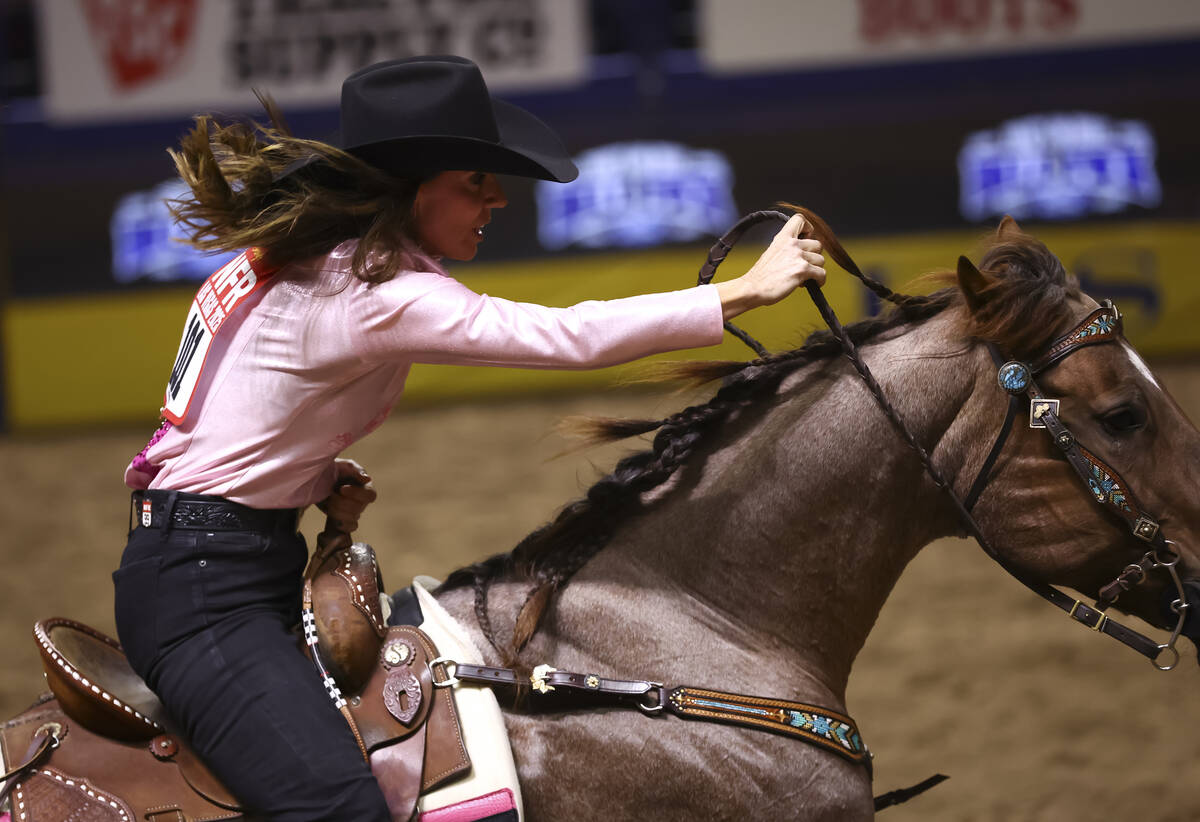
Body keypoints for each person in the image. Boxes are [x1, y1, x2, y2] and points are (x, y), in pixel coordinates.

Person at [114, 55, 825, 821]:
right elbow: (565, 336)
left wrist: (306, 476)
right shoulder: (377, 292)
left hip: (206, 562)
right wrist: (741, 290)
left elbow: (223, 418)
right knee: (338, 810)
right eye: (474, 181)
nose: (498, 200)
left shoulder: (298, 265)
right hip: (206, 594)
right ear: (415, 186)